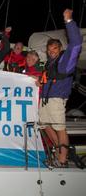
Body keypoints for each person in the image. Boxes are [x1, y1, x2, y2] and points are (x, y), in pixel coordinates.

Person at [39, 9, 82, 167]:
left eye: (54, 49)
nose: (51, 52)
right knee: (43, 124)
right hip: (45, 101)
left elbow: (76, 43)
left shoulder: (65, 61)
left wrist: (69, 21)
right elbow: (45, 81)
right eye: (49, 50)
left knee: (60, 128)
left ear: (60, 49)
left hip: (57, 100)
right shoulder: (49, 64)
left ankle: (63, 160)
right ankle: (59, 152)